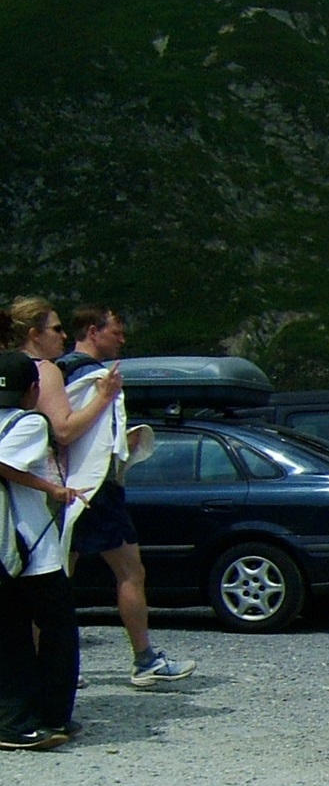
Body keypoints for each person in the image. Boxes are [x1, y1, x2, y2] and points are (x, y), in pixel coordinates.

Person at [56, 305, 196, 686]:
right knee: (130, 572)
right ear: (92, 331)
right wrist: (110, 415)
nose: (122, 338)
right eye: (115, 331)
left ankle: (50, 660)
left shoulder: (57, 373)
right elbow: (76, 432)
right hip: (97, 487)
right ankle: (144, 659)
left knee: (58, 575)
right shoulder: (97, 379)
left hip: (65, 486)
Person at [0, 349, 85, 748]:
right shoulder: (30, 422)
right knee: (58, 631)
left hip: (4, 555)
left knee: (11, 635)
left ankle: (17, 718)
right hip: (31, 548)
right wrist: (52, 488)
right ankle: (50, 715)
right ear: (33, 390)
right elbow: (4, 463)